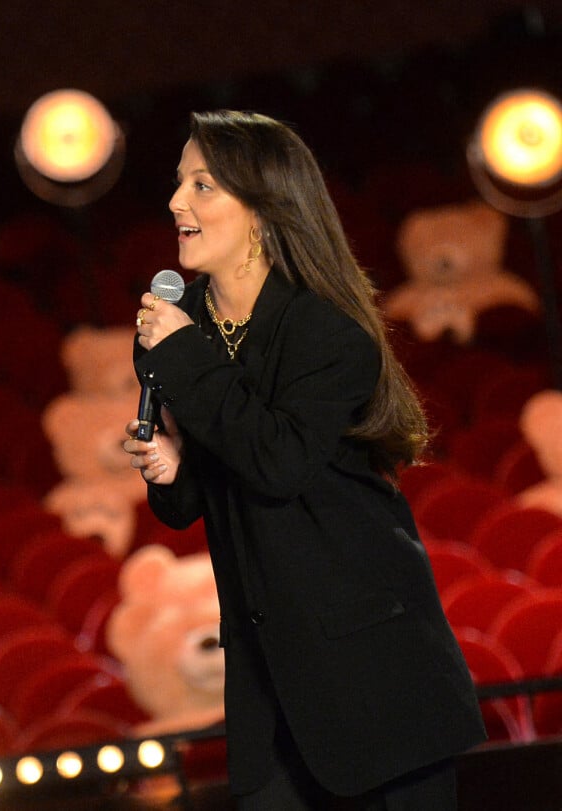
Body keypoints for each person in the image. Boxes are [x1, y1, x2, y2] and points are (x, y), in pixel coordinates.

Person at [123, 110, 485, 810]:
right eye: (178, 184)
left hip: (373, 680)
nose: (176, 202)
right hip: (268, 691)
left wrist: (185, 359)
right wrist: (173, 471)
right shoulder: (180, 329)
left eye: (202, 185)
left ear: (262, 207)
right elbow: (206, 488)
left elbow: (278, 461)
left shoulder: (325, 329)